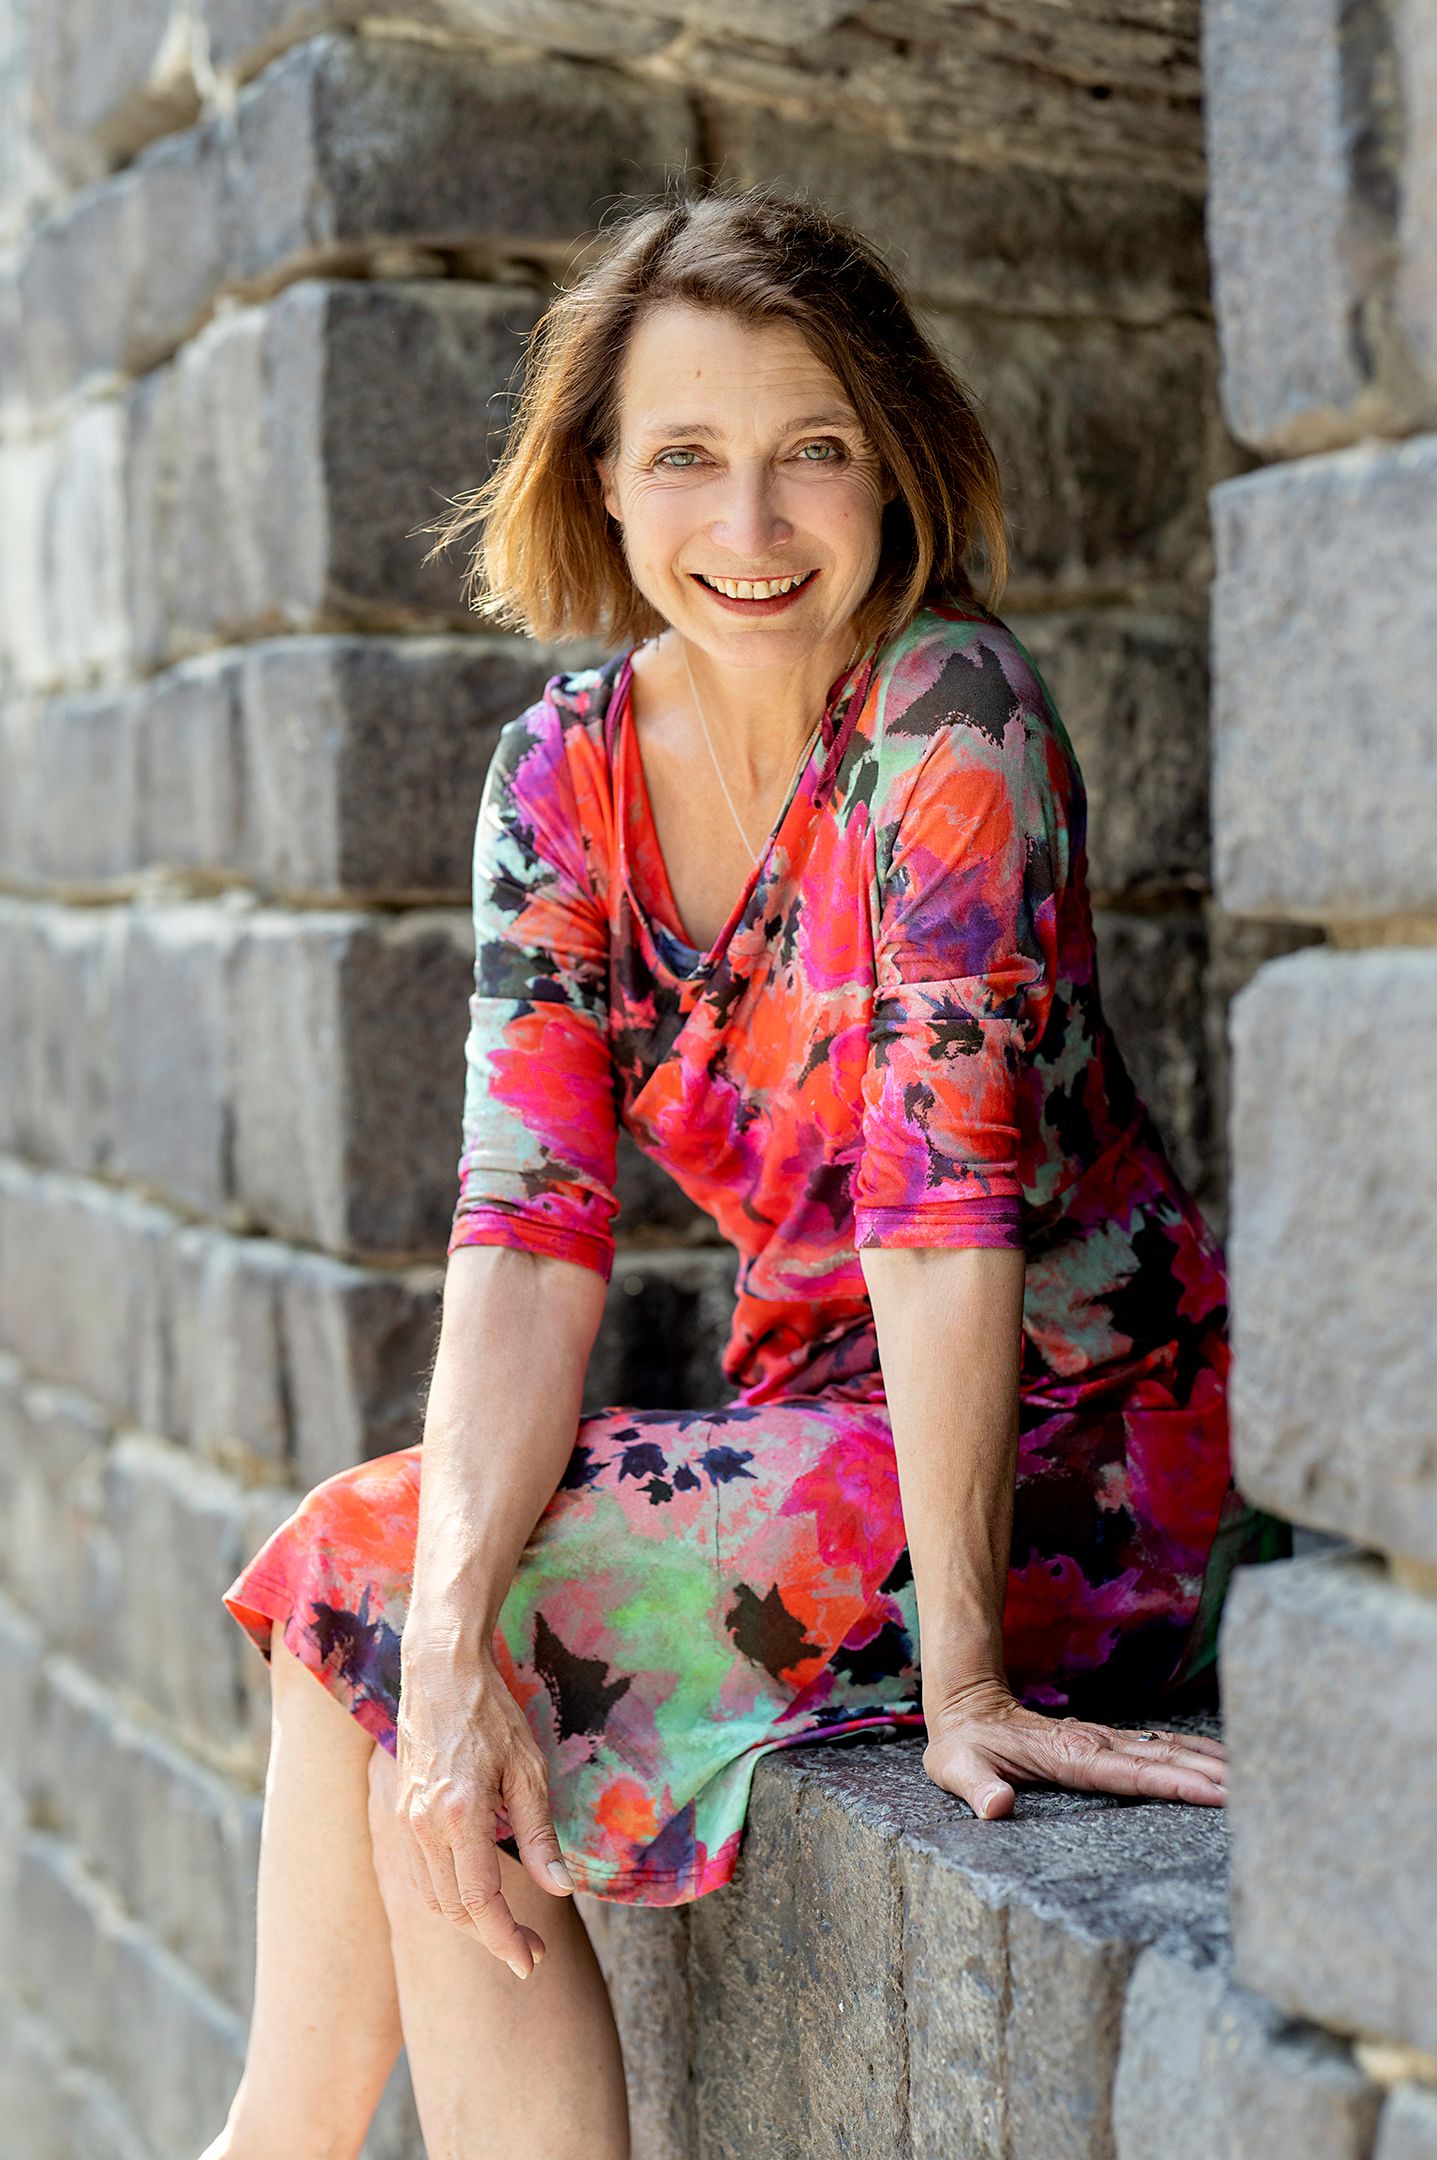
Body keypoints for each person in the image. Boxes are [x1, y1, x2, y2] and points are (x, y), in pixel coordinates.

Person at [205, 183, 1282, 2160]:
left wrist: (966, 1681)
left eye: (814, 451)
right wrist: (443, 1652)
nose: (753, 524)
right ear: (601, 485)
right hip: (813, 1435)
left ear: (894, 466)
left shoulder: (945, 722)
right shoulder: (560, 775)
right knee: (412, 1669)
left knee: (365, 1582)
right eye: (686, 456)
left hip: (1074, 1450)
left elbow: (938, 1216)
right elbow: (527, 1234)